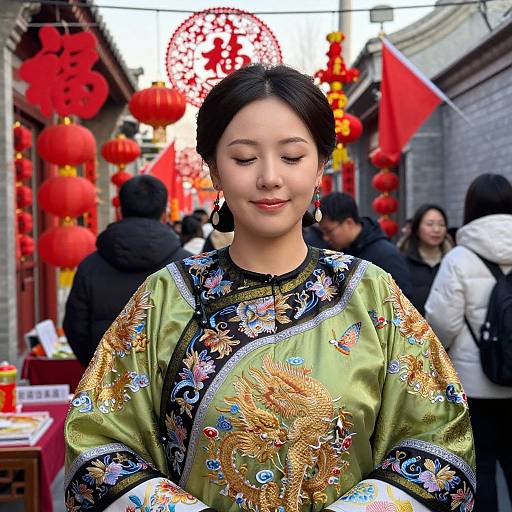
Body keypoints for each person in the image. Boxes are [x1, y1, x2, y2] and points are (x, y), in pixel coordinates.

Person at [65, 65, 474, 512]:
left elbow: (440, 442)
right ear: (214, 171)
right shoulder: (166, 298)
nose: (270, 177)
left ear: (320, 166)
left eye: (293, 157)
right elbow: (97, 448)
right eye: (244, 158)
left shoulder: (370, 294)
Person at [425, 173, 512, 511]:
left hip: (475, 385)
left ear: (470, 209)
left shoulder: (458, 260)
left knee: (483, 466)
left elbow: (441, 324)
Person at [63, 175, 190, 367]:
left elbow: (75, 328)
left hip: (106, 382)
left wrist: (98, 368)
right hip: (172, 385)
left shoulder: (90, 266)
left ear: (119, 211)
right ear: (164, 214)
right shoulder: (189, 264)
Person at [319, 192, 413, 297]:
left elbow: (403, 300)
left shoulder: (385, 255)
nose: (326, 238)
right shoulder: (337, 253)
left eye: (329, 231)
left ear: (349, 223)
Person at [398, 204, 453, 315]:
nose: (436, 229)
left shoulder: (452, 261)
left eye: (441, 224)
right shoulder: (402, 261)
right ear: (417, 228)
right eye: (430, 224)